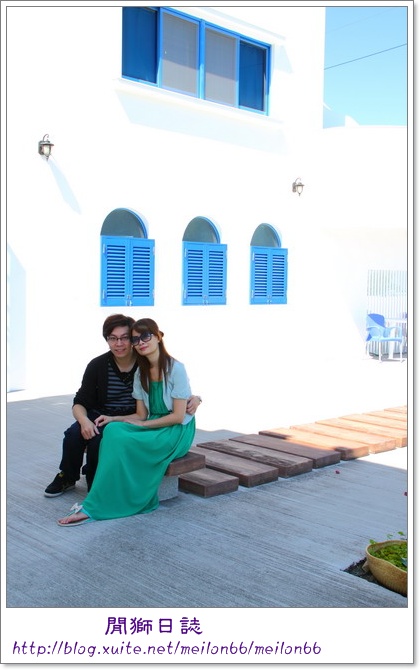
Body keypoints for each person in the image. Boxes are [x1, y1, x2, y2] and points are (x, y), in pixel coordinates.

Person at [57, 318, 196, 526]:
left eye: (145, 336)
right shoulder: (141, 372)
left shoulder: (176, 368)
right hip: (153, 422)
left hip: (175, 429)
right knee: (113, 430)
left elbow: (177, 416)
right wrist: (113, 419)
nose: (141, 342)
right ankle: (92, 489)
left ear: (158, 337)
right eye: (136, 339)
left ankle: (97, 503)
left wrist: (196, 399)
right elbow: (140, 415)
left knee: (119, 439)